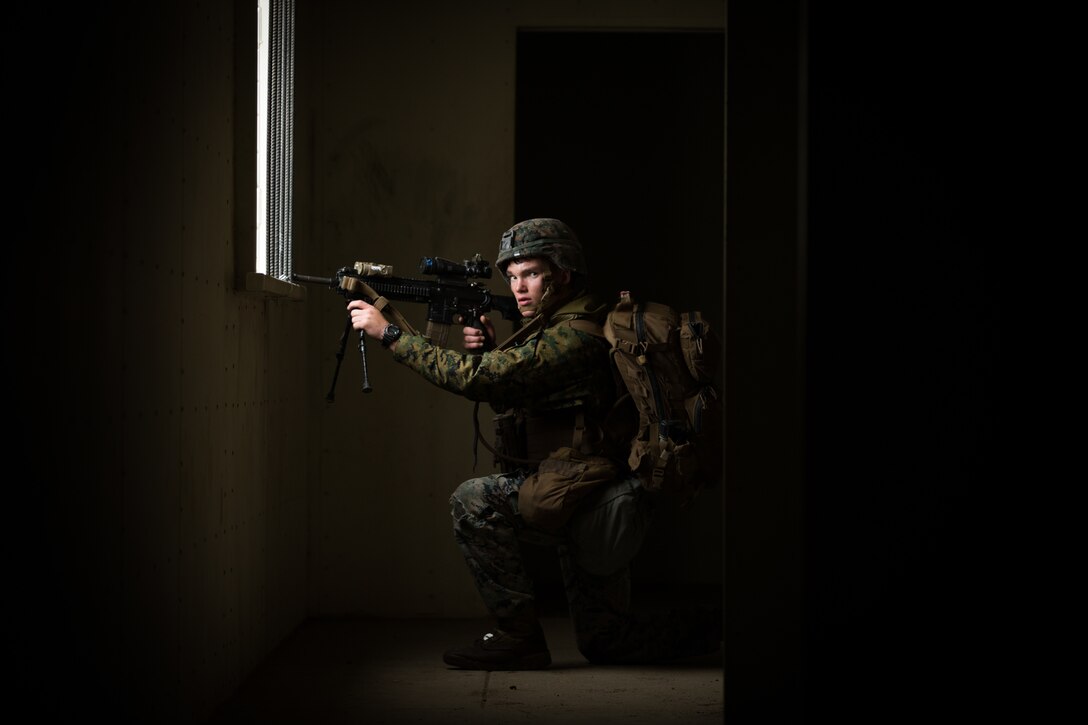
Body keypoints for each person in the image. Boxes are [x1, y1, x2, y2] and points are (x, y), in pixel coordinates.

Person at [347, 218, 720, 670]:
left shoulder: (576, 335)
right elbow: (516, 388)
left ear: (562, 274)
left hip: (592, 495)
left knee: (474, 500)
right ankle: (718, 628)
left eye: (531, 274)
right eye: (512, 277)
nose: (519, 288)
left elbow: (480, 380)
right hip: (573, 482)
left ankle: (516, 637)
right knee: (608, 642)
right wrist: (488, 346)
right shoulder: (558, 325)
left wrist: (391, 335)